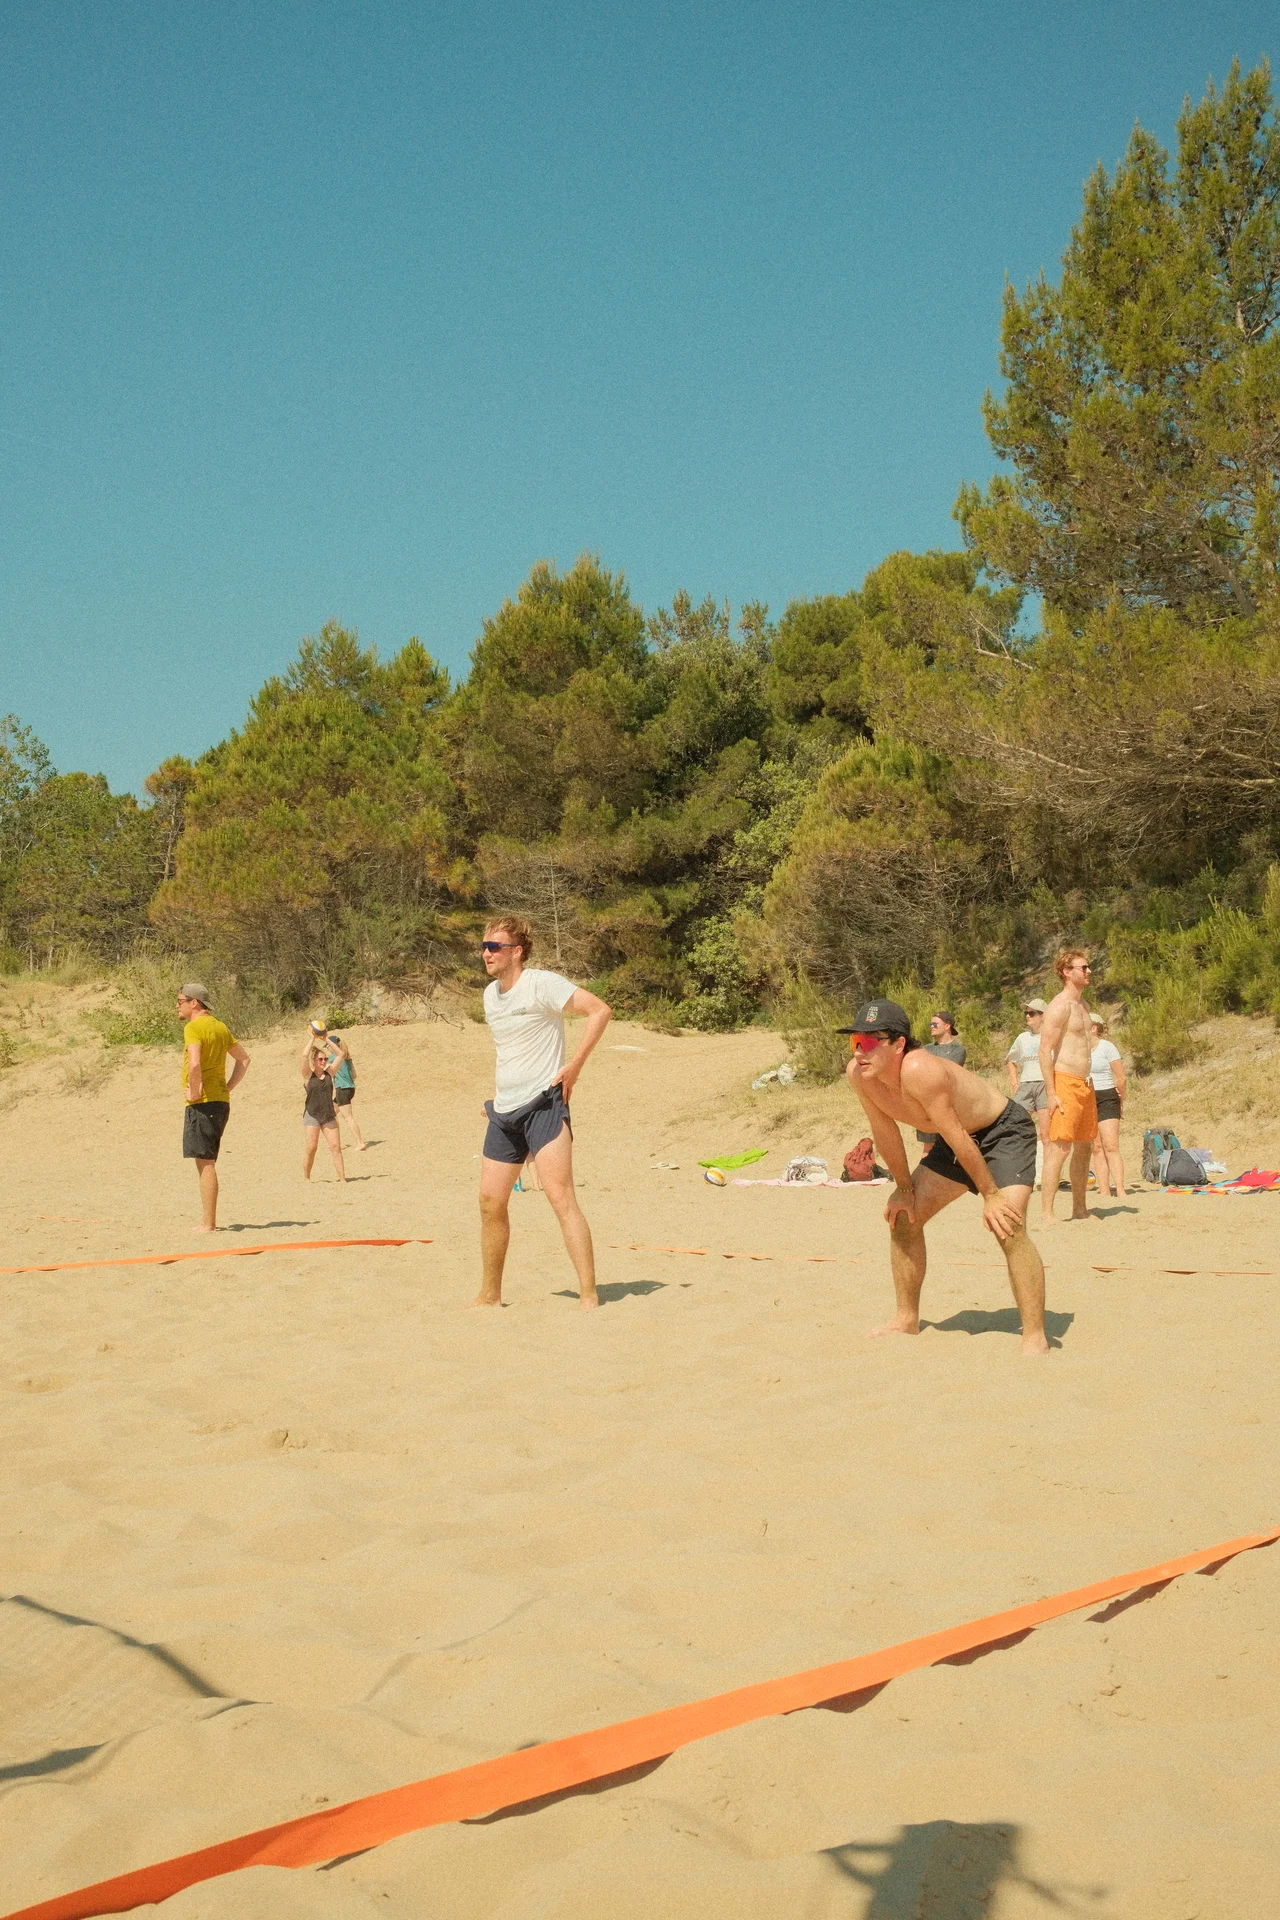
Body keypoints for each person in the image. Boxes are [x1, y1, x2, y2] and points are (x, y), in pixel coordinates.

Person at [842, 997, 1049, 1358]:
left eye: (871, 1042)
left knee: (1008, 1225)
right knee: (904, 1219)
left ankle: (1034, 1336)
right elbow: (884, 1131)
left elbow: (955, 1133)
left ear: (899, 1044)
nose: (861, 1051)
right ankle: (906, 1320)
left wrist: (990, 1194)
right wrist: (903, 1189)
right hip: (956, 1140)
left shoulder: (920, 1069)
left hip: (1003, 1132)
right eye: (855, 1042)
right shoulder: (860, 1077)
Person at [474, 914, 612, 1309]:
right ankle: (490, 1295)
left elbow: (599, 1011)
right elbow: (511, 1049)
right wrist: (499, 1097)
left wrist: (575, 1066)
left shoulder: (542, 984)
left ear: (516, 952)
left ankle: (588, 1295)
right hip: (504, 1112)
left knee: (559, 1196)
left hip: (545, 1105)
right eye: (483, 947)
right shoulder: (489, 995)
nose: (486, 953)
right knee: (489, 1202)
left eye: (494, 947)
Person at [177, 984, 250, 1233]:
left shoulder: (194, 1027)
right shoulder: (220, 1027)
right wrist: (227, 1087)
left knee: (205, 1163)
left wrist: (196, 1092)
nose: (177, 1005)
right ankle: (209, 1221)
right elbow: (244, 1059)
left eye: (180, 1001)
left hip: (204, 1102)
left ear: (194, 1003)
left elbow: (195, 1063)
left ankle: (208, 1223)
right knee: (207, 1160)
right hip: (220, 1101)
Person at [1038, 948, 1098, 1223]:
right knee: (1059, 1148)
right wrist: (1051, 1093)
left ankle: (1079, 1209)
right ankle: (1047, 1213)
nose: (1088, 972)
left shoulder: (1084, 1007)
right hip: (1064, 1081)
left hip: (1085, 1083)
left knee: (1085, 1146)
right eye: (1082, 967)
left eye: (1088, 967)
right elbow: (1044, 1050)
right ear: (1066, 972)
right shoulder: (1060, 1005)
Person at [1088, 1011, 1128, 1198]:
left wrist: (1121, 1098)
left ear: (1094, 1027)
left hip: (1106, 1095)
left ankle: (1119, 1188)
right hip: (1087, 1097)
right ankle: (1104, 1190)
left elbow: (1121, 1076)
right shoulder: (1079, 1048)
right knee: (1096, 1147)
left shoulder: (1107, 1047)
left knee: (1111, 1145)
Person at [1005, 999, 1050, 1161]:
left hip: (1045, 1084)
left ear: (1043, 1016)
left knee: (1046, 1133)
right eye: (1026, 1013)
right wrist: (1015, 1082)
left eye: (1031, 1013)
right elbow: (1011, 1060)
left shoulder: (1052, 1035)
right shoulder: (1022, 1038)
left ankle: (1049, 1172)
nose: (1027, 1016)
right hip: (1026, 1084)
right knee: (1016, 1124)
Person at [914, 1010, 966, 1148]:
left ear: (947, 1026)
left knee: (954, 1147)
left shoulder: (958, 1049)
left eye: (935, 1023)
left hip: (949, 1106)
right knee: (928, 1149)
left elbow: (948, 1073)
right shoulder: (925, 1049)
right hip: (927, 1106)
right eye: (930, 1024)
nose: (931, 1026)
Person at [301, 1037, 347, 1183]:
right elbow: (303, 1056)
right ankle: (307, 1177)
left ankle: (343, 1179)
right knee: (311, 1147)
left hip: (328, 1114)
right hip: (312, 1114)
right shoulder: (308, 1075)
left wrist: (326, 1038)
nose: (323, 1061)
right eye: (320, 1059)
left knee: (335, 1147)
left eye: (325, 1058)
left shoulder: (330, 1072)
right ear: (314, 1061)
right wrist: (312, 1038)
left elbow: (341, 1054)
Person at [322, 1028, 366, 1150]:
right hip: (350, 1089)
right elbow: (354, 1075)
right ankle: (336, 1143)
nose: (328, 1049)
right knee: (331, 1113)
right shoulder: (347, 1057)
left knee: (348, 1117)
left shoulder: (333, 1058)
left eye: (328, 1046)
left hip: (342, 1089)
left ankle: (360, 1142)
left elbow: (327, 1071)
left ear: (332, 1046)